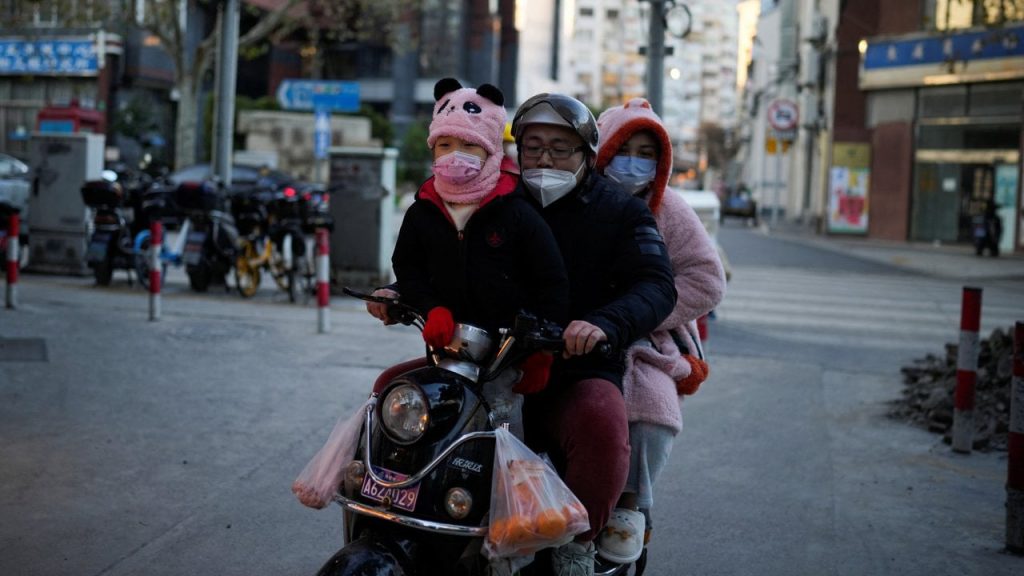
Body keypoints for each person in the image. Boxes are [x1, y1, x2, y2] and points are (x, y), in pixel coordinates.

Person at [510, 93, 677, 576]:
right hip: (493, 364)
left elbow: (657, 283)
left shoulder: (622, 213)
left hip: (577, 368)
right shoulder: (496, 201)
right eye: (533, 146)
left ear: (587, 152)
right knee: (396, 395)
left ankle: (575, 543)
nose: (544, 158)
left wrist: (605, 322)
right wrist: (400, 293)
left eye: (560, 148)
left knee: (605, 428)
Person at [368, 77, 569, 395]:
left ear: (491, 150)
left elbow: (551, 282)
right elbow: (408, 269)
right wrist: (431, 308)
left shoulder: (518, 211)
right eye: (445, 145)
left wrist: (539, 351)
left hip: (509, 361)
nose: (455, 154)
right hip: (447, 353)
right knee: (389, 398)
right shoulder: (422, 210)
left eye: (469, 146)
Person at [592, 97, 727, 564]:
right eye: (624, 147)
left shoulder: (669, 207)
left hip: (647, 340)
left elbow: (707, 279)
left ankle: (631, 504)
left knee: (652, 407)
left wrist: (641, 315)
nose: (635, 160)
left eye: (648, 152)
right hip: (569, 329)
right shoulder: (575, 198)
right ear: (602, 148)